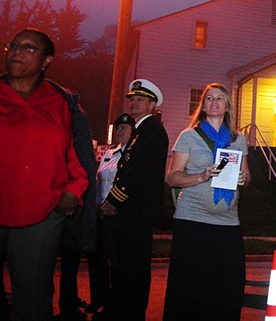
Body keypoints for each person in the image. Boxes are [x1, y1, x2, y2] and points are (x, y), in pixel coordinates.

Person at [0, 29, 90, 321]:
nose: (16, 51)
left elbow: (74, 153)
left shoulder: (61, 101)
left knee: (33, 297)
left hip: (41, 212)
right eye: (13, 45)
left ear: (47, 60)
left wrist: (74, 189)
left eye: (28, 48)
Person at [163, 83, 251, 320]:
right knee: (189, 287)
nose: (214, 102)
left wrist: (243, 178)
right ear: (203, 105)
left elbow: (247, 175)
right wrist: (201, 176)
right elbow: (172, 177)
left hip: (227, 221)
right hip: (192, 219)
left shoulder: (238, 140)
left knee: (227, 285)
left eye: (219, 99)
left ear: (227, 106)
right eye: (209, 98)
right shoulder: (189, 136)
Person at [99, 79, 169, 321]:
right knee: (122, 266)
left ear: (152, 105)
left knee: (133, 269)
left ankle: (130, 313)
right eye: (133, 99)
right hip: (130, 211)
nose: (134, 103)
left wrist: (113, 200)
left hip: (136, 213)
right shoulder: (141, 130)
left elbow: (137, 172)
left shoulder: (152, 131)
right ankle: (121, 310)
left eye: (141, 99)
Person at [85, 114, 136, 316]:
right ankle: (98, 298)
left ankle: (115, 303)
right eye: (118, 128)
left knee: (116, 262)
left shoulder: (133, 155)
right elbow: (99, 179)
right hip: (100, 212)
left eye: (125, 127)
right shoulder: (109, 154)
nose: (120, 131)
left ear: (133, 131)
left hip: (118, 213)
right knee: (97, 259)